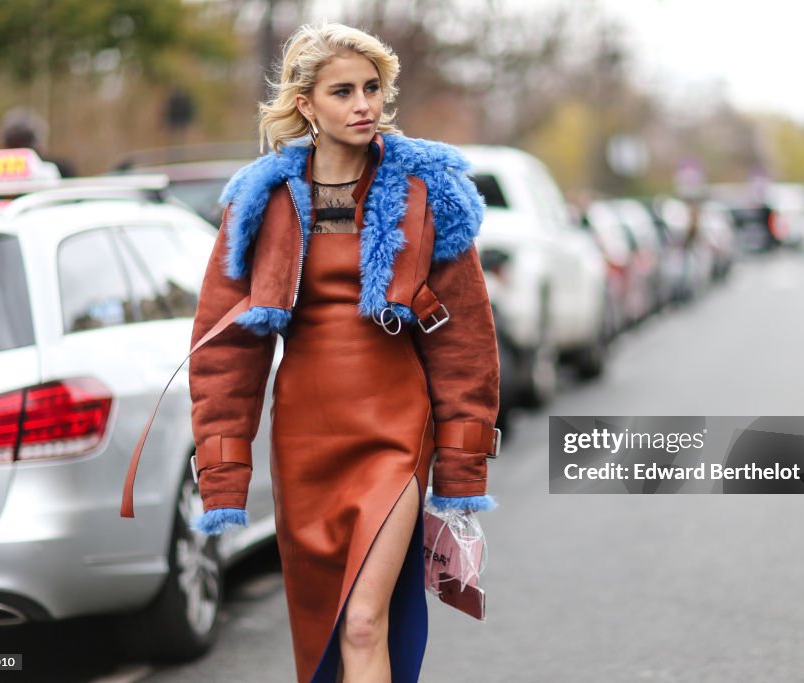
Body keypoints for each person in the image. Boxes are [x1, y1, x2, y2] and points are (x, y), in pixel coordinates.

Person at [186, 23, 499, 683]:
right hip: (305, 441)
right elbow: (225, 356)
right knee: (324, 631)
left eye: (372, 88)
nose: (364, 103)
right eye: (343, 91)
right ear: (306, 105)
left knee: (363, 619)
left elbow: (465, 339)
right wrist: (223, 472)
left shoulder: (424, 191)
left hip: (394, 430)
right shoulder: (258, 201)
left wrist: (463, 469)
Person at [0, 107, 78, 177]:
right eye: (13, 145)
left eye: (24, 144)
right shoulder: (58, 171)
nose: (19, 153)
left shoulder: (60, 171)